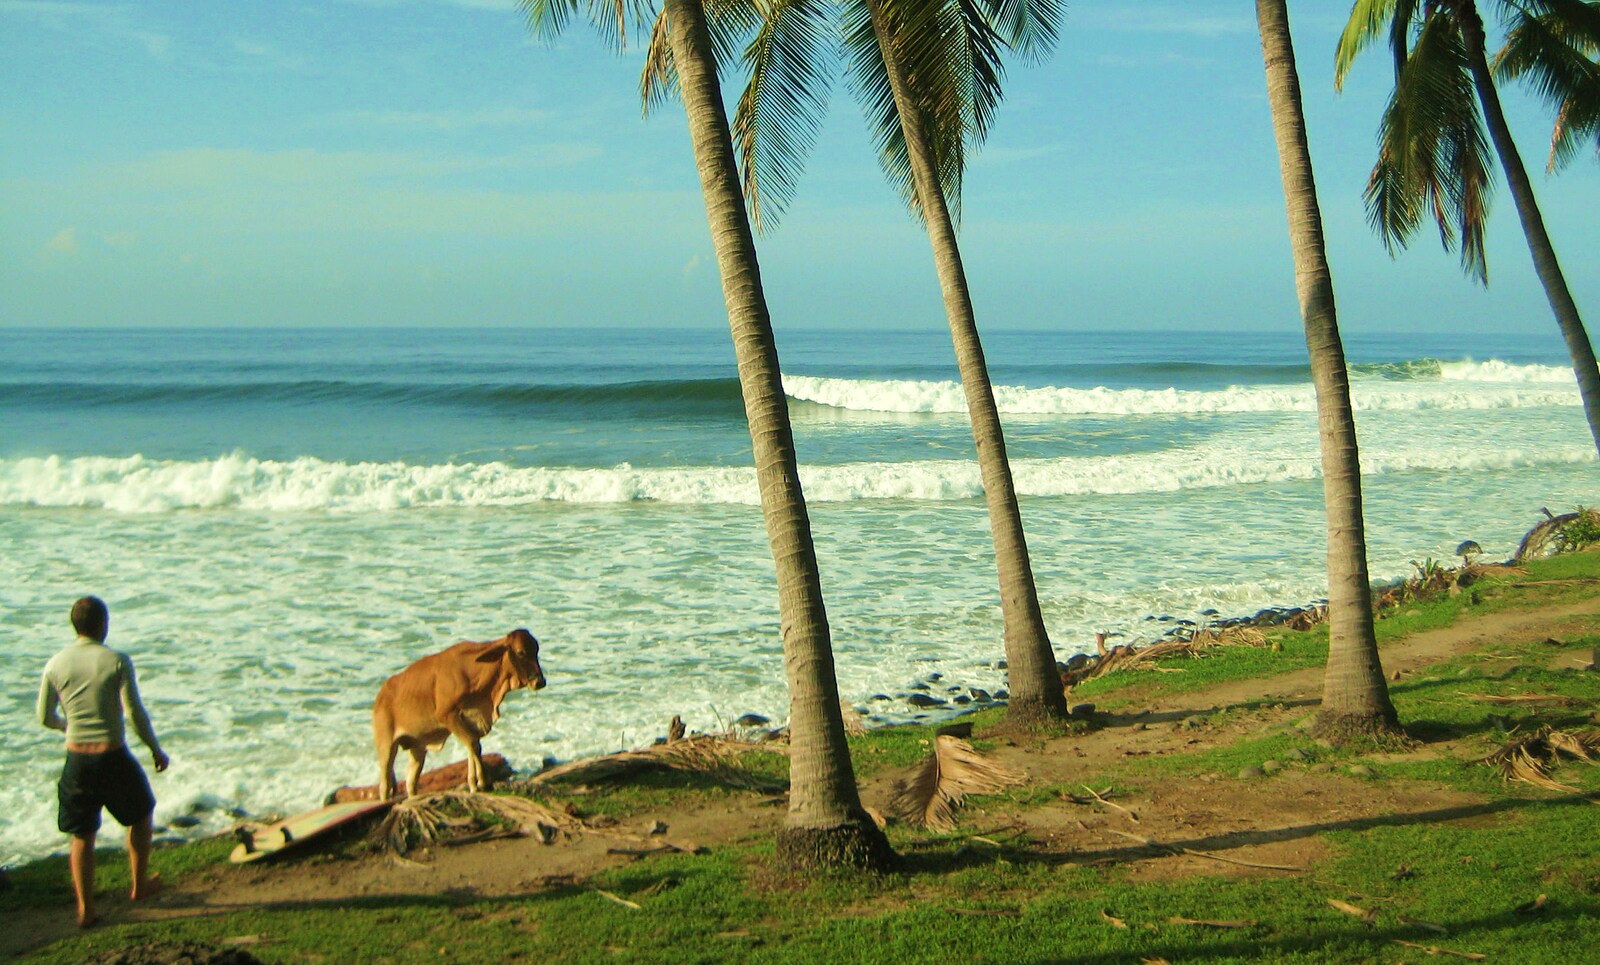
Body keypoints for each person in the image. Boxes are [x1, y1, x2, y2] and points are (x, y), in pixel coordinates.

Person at [36, 595, 170, 927]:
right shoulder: (116, 661)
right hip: (113, 756)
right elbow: (134, 713)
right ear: (103, 624)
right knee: (140, 814)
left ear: (74, 625)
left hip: (78, 759)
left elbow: (43, 716)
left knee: (82, 834)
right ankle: (139, 887)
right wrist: (155, 749)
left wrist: (68, 725)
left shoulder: (55, 664)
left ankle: (86, 909)